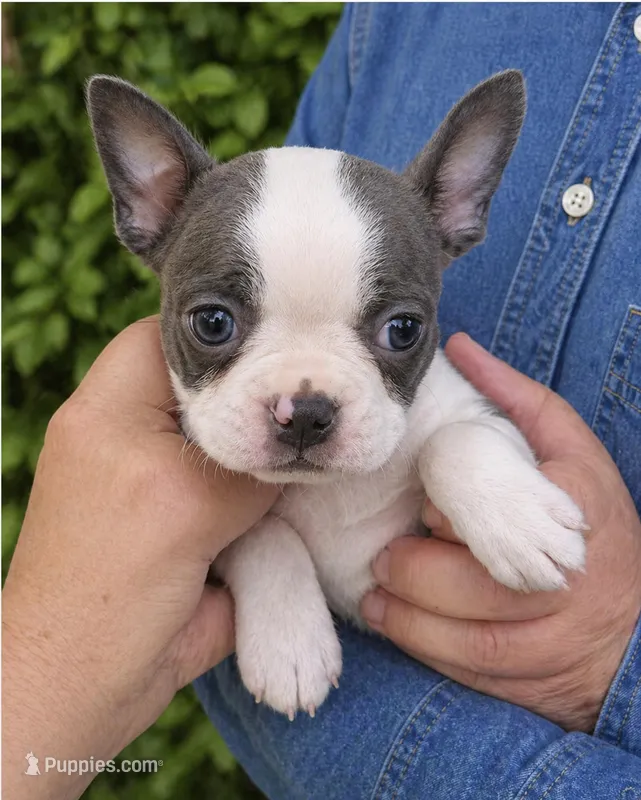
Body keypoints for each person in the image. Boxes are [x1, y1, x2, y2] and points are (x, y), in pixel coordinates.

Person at [3, 3, 640, 799]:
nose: (300, 406)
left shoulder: (424, 415)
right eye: (217, 325)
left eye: (395, 331)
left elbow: (461, 425)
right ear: (150, 214)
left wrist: (461, 460)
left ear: (457, 213)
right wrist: (262, 562)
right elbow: (191, 545)